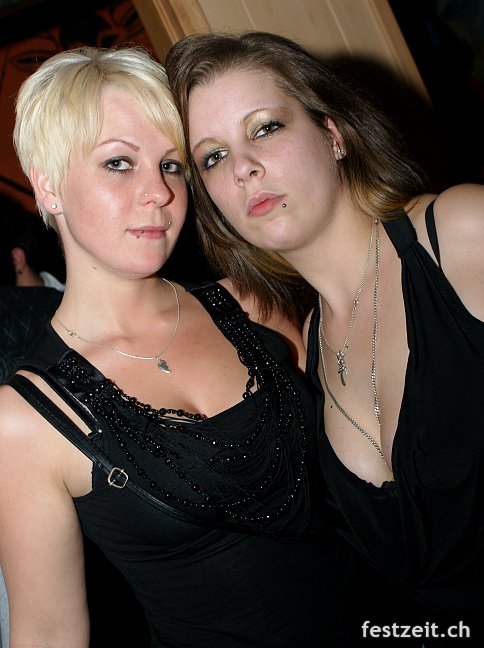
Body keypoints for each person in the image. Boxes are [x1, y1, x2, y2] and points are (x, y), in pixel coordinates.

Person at [0, 44, 358, 648]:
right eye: (119, 163)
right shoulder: (26, 420)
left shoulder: (253, 304)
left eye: (171, 165)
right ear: (48, 184)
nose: (160, 193)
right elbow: (50, 631)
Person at [165, 30, 484, 644]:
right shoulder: (307, 344)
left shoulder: (458, 234)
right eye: (213, 157)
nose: (244, 168)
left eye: (265, 128)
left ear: (333, 134)